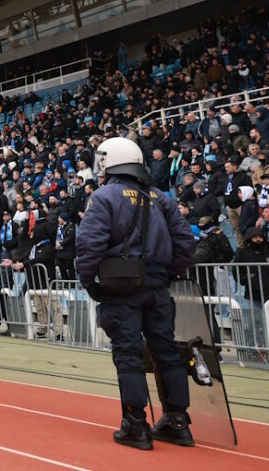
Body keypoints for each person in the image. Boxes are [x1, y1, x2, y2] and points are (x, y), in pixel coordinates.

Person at [76, 136, 196, 450]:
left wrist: (89, 282)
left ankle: (135, 423)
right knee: (166, 351)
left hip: (120, 287)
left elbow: (89, 245)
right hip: (156, 287)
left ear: (108, 162)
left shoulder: (104, 197)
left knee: (129, 354)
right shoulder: (161, 197)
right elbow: (185, 243)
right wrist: (168, 274)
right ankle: (178, 422)